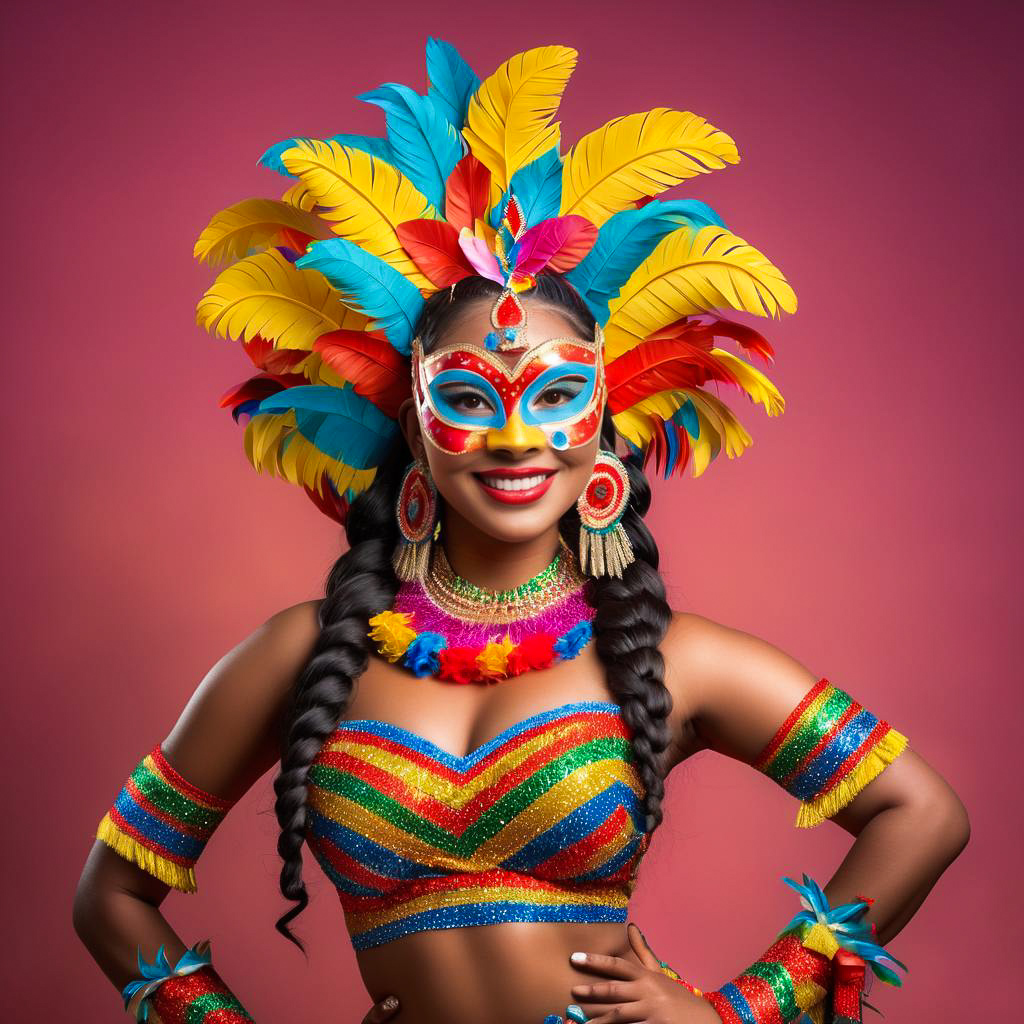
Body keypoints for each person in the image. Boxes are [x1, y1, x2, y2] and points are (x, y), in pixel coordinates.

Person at [72, 40, 969, 1024]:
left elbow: (921, 814)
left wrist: (742, 1011)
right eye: (466, 396)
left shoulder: (680, 659)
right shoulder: (298, 653)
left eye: (554, 395)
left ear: (602, 433)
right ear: (411, 426)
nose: (513, 436)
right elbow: (110, 898)